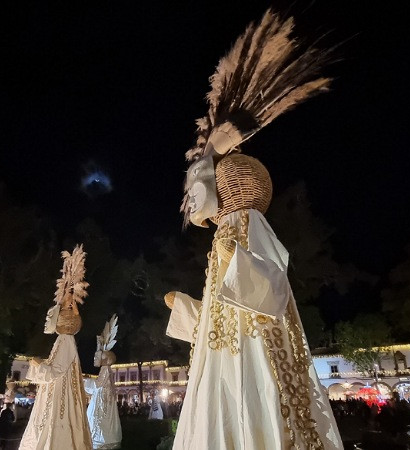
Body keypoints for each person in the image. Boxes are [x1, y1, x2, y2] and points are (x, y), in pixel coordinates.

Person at [163, 9, 341, 449]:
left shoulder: (246, 224)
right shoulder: (230, 231)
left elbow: (269, 281)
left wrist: (231, 262)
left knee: (258, 407)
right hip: (227, 354)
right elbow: (219, 315)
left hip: (255, 353)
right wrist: (190, 309)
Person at [19, 245, 92, 450]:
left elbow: (55, 370)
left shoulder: (66, 340)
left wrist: (37, 364)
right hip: (59, 392)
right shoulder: (63, 340)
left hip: (60, 395)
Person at [85, 315, 122, 449]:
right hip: (102, 405)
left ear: (105, 358)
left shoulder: (105, 370)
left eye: (97, 356)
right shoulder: (106, 370)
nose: (94, 358)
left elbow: (96, 385)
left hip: (101, 410)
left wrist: (80, 381)